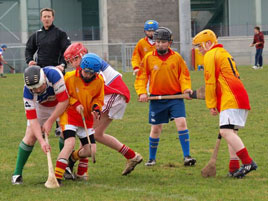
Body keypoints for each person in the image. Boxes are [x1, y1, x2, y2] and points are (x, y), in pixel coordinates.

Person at [63, 43, 143, 177]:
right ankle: (131, 156)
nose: (72, 63)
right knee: (96, 134)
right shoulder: (89, 63)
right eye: (70, 61)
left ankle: (81, 170)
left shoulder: (91, 65)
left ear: (82, 56)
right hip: (113, 95)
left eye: (74, 59)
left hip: (114, 95)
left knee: (87, 130)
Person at [193, 29, 257, 178]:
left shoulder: (210, 55)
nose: (199, 50)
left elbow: (210, 83)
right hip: (239, 95)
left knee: (225, 132)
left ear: (208, 43)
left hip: (231, 97)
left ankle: (248, 163)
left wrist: (211, 104)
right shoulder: (223, 53)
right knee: (231, 133)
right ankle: (233, 168)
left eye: (200, 46)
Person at [135, 27, 196, 167]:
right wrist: (142, 92)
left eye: (163, 42)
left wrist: (186, 89)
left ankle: (187, 156)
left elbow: (184, 76)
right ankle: (152, 158)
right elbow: (141, 77)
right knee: (156, 128)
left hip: (175, 98)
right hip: (157, 99)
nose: (160, 44)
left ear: (169, 43)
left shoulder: (177, 58)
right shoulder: (149, 58)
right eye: (157, 42)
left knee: (181, 123)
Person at [11, 66, 69, 185]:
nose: (37, 91)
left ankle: (65, 168)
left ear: (44, 79)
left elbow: (64, 101)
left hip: (60, 104)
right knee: (30, 137)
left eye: (39, 87)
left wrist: (50, 121)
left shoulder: (55, 75)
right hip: (41, 107)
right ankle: (17, 174)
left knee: (67, 133)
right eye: (34, 89)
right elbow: (32, 120)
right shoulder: (27, 92)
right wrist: (42, 141)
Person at [55, 53, 104, 184]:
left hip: (85, 118)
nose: (88, 75)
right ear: (81, 68)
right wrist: (75, 104)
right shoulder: (69, 77)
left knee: (90, 150)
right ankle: (56, 177)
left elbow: (99, 99)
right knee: (69, 143)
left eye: (92, 73)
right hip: (69, 115)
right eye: (86, 72)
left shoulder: (99, 81)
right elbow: (62, 95)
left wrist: (96, 108)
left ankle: (71, 159)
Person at [25, 8, 71, 136]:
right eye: (44, 16)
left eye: (49, 16)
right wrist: (30, 61)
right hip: (41, 74)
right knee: (42, 99)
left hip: (57, 72)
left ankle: (60, 125)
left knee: (60, 99)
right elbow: (29, 50)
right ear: (41, 19)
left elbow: (67, 51)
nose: (46, 19)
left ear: (53, 18)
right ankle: (40, 125)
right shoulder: (36, 35)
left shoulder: (60, 33)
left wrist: (62, 65)